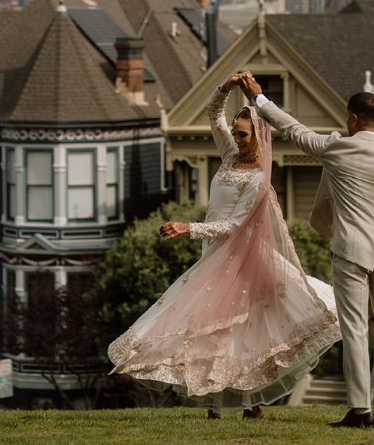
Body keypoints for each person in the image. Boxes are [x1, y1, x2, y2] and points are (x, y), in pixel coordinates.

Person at [107, 73, 340, 416]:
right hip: (216, 255)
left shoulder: (259, 175)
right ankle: (233, 403)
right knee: (218, 329)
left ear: (260, 134)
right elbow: (212, 116)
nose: (236, 137)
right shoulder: (230, 154)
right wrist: (226, 87)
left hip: (244, 257)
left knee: (238, 328)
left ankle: (242, 402)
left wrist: (189, 227)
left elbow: (234, 225)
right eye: (235, 132)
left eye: (243, 134)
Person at [239, 70, 374, 430]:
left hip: (350, 251)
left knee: (355, 329)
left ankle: (361, 410)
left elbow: (294, 130)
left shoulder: (338, 147)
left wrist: (258, 98)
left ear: (353, 119)